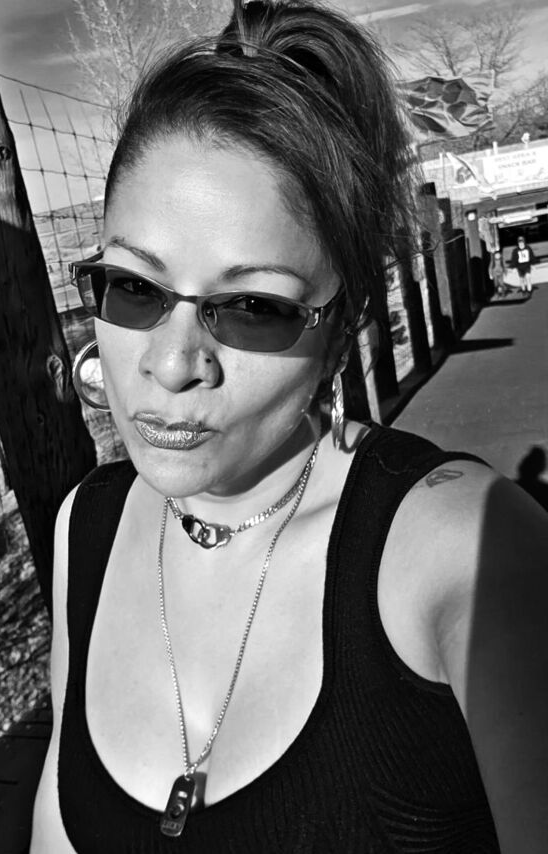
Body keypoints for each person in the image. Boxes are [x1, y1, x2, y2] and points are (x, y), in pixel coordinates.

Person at [31, 2, 548, 851]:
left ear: (343, 329)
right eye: (135, 287)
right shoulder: (82, 527)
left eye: (252, 307)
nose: (172, 363)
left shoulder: (464, 552)